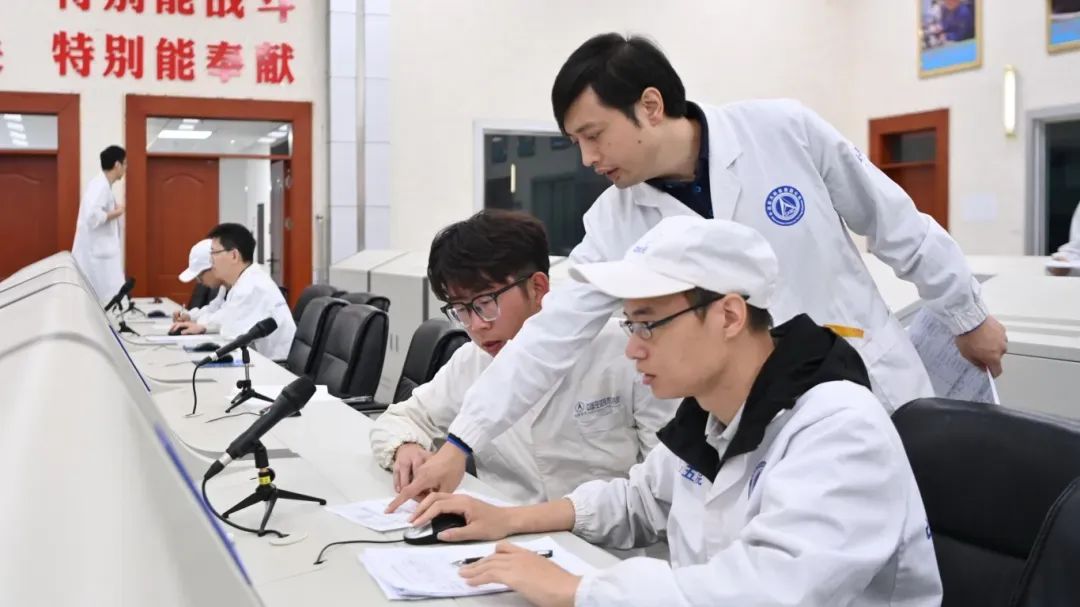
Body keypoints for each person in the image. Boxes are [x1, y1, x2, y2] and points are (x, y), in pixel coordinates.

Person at [389, 32, 1007, 508]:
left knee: (906, 542)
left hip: (867, 383)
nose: (588, 158)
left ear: (650, 105)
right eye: (576, 142)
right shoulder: (613, 221)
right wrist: (463, 441)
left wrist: (966, 314)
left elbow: (893, 220)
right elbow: (549, 336)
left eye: (595, 135)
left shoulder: (780, 130)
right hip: (749, 420)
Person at [407, 216, 943, 607]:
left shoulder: (839, 429)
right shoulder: (712, 414)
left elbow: (766, 592)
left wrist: (580, 590)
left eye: (648, 324)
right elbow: (639, 500)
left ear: (729, 316)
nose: (632, 348)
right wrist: (509, 519)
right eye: (629, 325)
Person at [369, 210, 677, 505]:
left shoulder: (627, 352)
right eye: (461, 309)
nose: (476, 325)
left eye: (485, 303)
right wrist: (405, 448)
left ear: (538, 287)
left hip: (609, 539)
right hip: (502, 531)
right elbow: (400, 419)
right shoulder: (471, 362)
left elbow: (666, 486)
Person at [169, 223, 296, 360]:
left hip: (274, 366)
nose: (210, 260)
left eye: (214, 253)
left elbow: (229, 334)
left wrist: (202, 326)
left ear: (234, 255)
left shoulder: (252, 287)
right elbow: (223, 316)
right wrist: (199, 323)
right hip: (261, 361)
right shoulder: (242, 282)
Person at [71, 145, 127, 304]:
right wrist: (118, 212)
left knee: (108, 299)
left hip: (100, 254)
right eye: (125, 164)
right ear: (117, 165)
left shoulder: (102, 185)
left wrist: (114, 210)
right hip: (96, 257)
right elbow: (92, 216)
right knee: (102, 300)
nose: (126, 168)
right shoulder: (100, 186)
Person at [171, 239, 226, 323]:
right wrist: (190, 317)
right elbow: (213, 308)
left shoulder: (241, 286)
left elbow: (226, 319)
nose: (199, 282)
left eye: (199, 277)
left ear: (213, 267)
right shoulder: (224, 286)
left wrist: (199, 324)